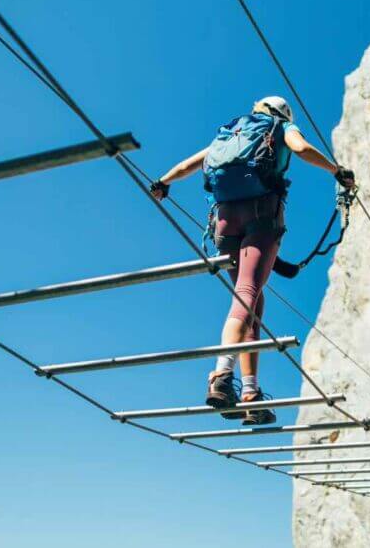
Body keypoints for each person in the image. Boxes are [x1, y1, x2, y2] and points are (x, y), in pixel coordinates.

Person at [149, 95, 355, 425]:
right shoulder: (281, 127)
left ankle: (250, 393)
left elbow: (190, 164)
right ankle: (221, 374)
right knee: (247, 295)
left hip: (225, 224)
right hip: (262, 218)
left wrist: (162, 182)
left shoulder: (232, 132)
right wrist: (337, 171)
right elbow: (300, 149)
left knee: (253, 306)